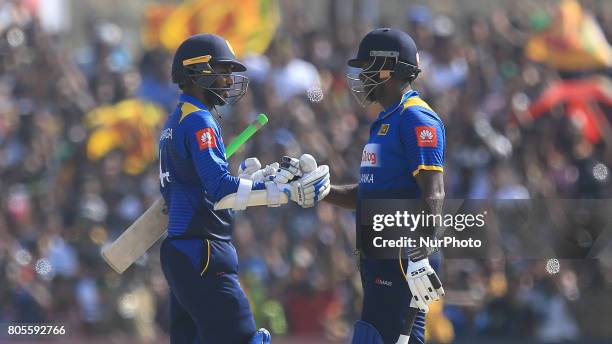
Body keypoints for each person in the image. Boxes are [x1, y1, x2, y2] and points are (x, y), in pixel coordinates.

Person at [158, 33, 330, 344]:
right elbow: (221, 190)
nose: (228, 80)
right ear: (197, 72)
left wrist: (253, 179)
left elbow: (202, 190)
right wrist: (284, 191)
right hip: (204, 251)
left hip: (184, 250)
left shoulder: (176, 119)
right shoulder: (199, 121)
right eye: (222, 71)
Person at [324, 28, 446, 344]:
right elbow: (368, 194)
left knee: (385, 338)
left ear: (386, 69)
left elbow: (433, 191)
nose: (362, 76)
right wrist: (322, 191)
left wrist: (420, 252)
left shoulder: (416, 117)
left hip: (402, 256)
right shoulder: (385, 119)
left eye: (366, 68)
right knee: (376, 336)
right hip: (380, 256)